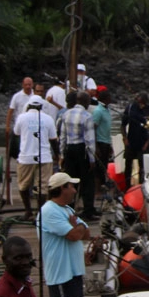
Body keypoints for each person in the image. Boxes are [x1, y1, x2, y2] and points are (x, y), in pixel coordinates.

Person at [38, 172, 90, 297]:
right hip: (61, 274)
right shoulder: (49, 210)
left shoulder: (67, 209)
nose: (74, 190)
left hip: (73, 272)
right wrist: (77, 228)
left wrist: (77, 227)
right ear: (61, 189)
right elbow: (75, 235)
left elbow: (86, 232)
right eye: (71, 186)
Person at [13, 97, 59, 220]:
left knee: (23, 185)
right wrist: (58, 155)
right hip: (44, 157)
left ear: (28, 106)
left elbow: (16, 134)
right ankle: (40, 212)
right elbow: (54, 140)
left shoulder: (21, 117)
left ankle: (28, 211)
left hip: (25, 157)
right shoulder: (48, 119)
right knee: (43, 186)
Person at [58, 92, 96, 220]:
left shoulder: (66, 114)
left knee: (71, 181)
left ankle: (70, 209)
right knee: (87, 181)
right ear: (86, 102)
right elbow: (89, 139)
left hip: (69, 149)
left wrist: (62, 154)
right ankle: (88, 211)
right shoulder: (87, 116)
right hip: (82, 149)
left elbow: (62, 136)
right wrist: (92, 159)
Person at [121, 92, 149, 187]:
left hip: (143, 141)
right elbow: (123, 125)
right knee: (128, 164)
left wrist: (147, 143)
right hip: (131, 141)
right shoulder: (130, 108)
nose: (140, 104)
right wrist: (124, 138)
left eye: (142, 103)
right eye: (138, 102)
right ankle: (127, 186)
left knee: (142, 166)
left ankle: (141, 185)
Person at [91, 86, 114, 190]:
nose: (111, 99)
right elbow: (93, 129)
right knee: (99, 166)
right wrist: (96, 147)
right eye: (109, 97)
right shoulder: (98, 111)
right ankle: (99, 186)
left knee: (104, 164)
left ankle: (103, 182)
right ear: (105, 99)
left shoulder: (107, 110)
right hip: (100, 142)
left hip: (106, 141)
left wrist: (110, 145)